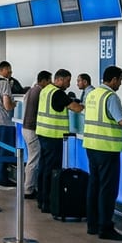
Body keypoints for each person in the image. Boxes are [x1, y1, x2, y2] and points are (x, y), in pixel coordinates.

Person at [81, 67, 122, 240]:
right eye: (120, 80)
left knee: (94, 186)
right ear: (113, 80)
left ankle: (93, 225)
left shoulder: (92, 94)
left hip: (91, 146)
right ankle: (105, 227)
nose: (120, 83)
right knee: (108, 189)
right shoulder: (111, 96)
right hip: (107, 148)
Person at [35, 69, 85, 212]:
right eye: (68, 81)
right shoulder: (58, 93)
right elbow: (76, 108)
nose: (69, 84)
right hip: (53, 135)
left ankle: (41, 199)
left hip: (43, 133)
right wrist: (84, 106)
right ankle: (48, 202)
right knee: (51, 170)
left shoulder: (46, 90)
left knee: (43, 168)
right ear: (60, 79)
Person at [20, 71, 51, 200]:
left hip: (26, 128)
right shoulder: (40, 92)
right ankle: (28, 189)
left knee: (32, 158)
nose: (50, 83)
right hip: (32, 129)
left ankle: (30, 187)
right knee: (34, 159)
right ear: (43, 81)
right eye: (49, 81)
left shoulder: (30, 91)